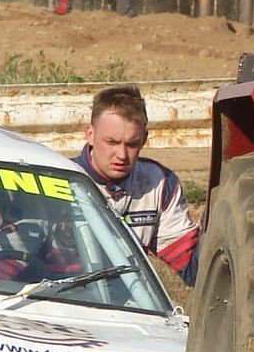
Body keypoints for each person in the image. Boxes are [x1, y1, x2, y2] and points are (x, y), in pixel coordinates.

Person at [75, 83, 196, 284]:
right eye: (112, 142)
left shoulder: (160, 183)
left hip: (131, 302)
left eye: (132, 144)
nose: (122, 155)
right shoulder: (60, 179)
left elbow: (192, 266)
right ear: (90, 135)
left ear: (145, 139)